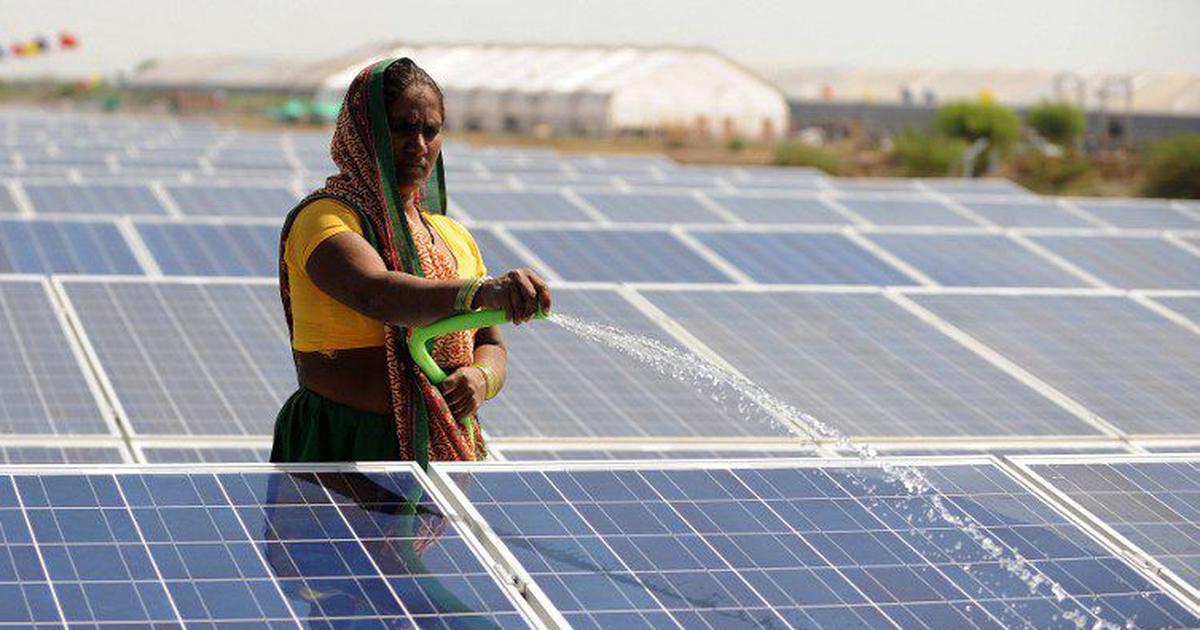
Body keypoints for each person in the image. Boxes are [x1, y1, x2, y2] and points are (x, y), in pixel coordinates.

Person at [271, 57, 551, 466]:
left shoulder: (452, 236)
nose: (418, 145)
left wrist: (481, 378)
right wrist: (483, 292)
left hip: (438, 448)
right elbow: (376, 294)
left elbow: (489, 342)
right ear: (362, 133)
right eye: (401, 128)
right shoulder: (326, 219)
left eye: (430, 131)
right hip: (343, 445)